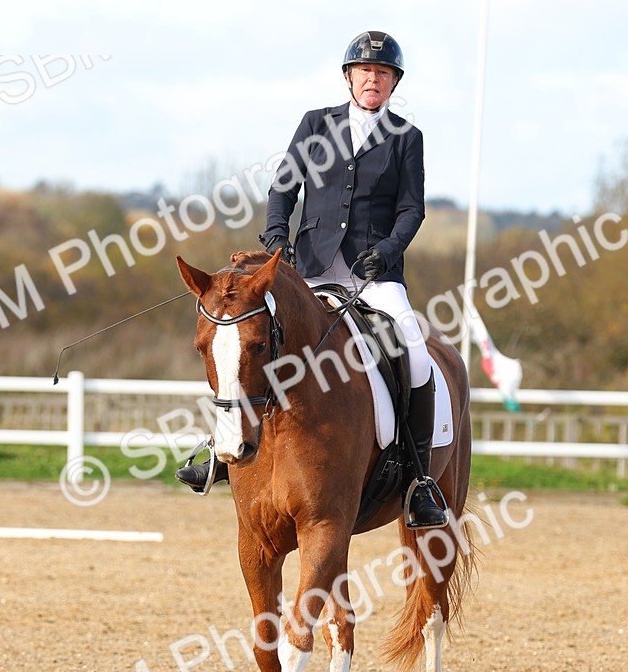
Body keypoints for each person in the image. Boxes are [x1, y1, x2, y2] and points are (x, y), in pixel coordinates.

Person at [177, 29, 446, 529]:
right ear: (350, 77)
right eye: (365, 71)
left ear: (393, 83)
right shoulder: (316, 124)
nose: (374, 79)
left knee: (412, 352)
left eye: (383, 73)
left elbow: (412, 210)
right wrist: (278, 240)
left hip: (375, 276)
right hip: (310, 269)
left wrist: (385, 252)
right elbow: (285, 187)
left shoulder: (407, 138)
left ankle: (419, 480)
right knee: (247, 338)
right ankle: (220, 447)